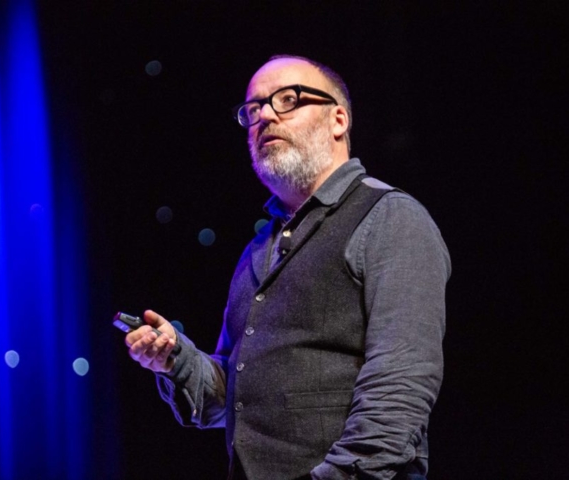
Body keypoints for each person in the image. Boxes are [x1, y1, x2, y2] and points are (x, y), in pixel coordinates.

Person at [125, 55, 451, 480]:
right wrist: (176, 359)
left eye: (288, 99)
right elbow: (230, 399)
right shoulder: (259, 249)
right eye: (254, 109)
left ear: (338, 120)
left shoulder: (390, 218)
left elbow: (400, 386)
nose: (264, 117)